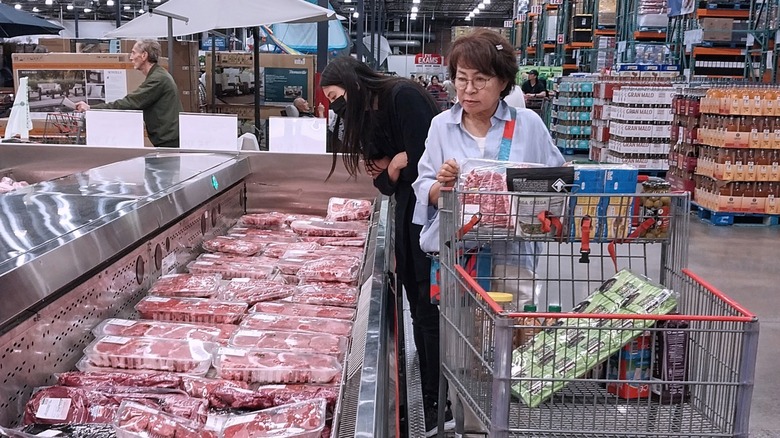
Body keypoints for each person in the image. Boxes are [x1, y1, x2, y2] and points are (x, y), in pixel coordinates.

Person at [411, 29, 564, 433]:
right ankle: (467, 423)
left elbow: (558, 181)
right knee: (462, 349)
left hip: (513, 259)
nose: (469, 89)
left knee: (506, 346)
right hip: (461, 258)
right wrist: (441, 186)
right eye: (461, 78)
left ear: (503, 82)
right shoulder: (441, 127)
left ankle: (497, 422)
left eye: (481, 80)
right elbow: (421, 186)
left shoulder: (528, 125)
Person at [320, 56, 454, 436]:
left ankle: (437, 400)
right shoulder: (370, 116)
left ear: (353, 82)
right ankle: (430, 389)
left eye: (336, 96)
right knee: (416, 301)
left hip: (430, 218)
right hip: (408, 214)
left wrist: (399, 170)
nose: (336, 106)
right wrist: (394, 167)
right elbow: (383, 181)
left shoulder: (403, 97)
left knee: (430, 308)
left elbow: (429, 167)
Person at [75, 39, 182, 148]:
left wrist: (92, 108)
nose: (131, 57)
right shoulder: (158, 75)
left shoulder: (158, 79)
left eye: (134, 52)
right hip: (168, 139)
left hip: (168, 141)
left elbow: (131, 102)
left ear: (144, 55)